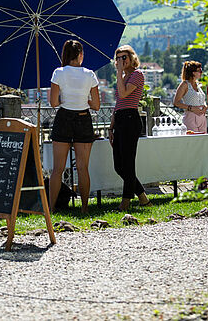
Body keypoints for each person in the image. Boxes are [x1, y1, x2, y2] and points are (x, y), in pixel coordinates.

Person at [48, 40, 100, 213]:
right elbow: (97, 105)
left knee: (57, 169)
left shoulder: (58, 72)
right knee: (83, 167)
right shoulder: (90, 74)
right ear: (80, 55)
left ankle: (51, 208)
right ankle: (84, 208)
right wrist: (84, 99)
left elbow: (54, 103)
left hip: (63, 118)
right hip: (84, 119)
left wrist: (66, 99)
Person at [109, 45, 151, 211]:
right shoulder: (123, 76)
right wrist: (111, 126)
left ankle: (126, 201)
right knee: (119, 165)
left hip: (130, 119)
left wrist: (119, 74)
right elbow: (118, 101)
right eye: (118, 58)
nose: (121, 61)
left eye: (124, 57)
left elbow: (125, 94)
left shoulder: (137, 75)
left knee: (127, 162)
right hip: (120, 118)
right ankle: (143, 198)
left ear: (132, 58)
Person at [173, 60, 207, 133]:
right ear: (193, 73)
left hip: (202, 118)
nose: (201, 72)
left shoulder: (198, 85)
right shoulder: (184, 84)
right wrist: (191, 108)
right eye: (199, 71)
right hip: (190, 116)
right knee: (193, 142)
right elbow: (176, 102)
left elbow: (201, 99)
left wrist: (205, 105)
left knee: (203, 142)